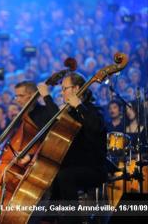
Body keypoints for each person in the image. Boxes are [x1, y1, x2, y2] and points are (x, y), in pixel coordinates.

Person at [44, 72, 107, 224]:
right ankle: (51, 218)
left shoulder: (92, 109)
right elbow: (57, 126)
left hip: (93, 168)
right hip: (73, 165)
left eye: (65, 88)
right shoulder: (70, 111)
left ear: (76, 88)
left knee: (64, 176)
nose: (62, 92)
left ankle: (73, 221)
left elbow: (95, 127)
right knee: (52, 175)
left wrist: (78, 105)